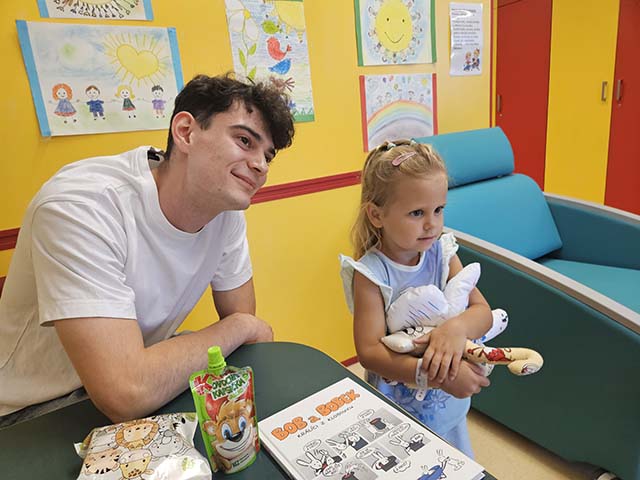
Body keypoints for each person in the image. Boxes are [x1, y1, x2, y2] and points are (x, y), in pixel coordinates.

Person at [0, 73, 295, 427]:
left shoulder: (225, 212)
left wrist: (241, 326)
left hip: (142, 380)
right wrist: (242, 326)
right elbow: (125, 392)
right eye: (245, 141)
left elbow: (245, 332)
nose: (261, 165)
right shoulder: (82, 206)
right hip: (29, 411)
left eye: (267, 156)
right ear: (185, 132)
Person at [339, 139, 492, 457]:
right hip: (398, 413)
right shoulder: (371, 274)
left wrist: (456, 328)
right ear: (376, 215)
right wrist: (439, 376)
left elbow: (482, 311)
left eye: (439, 210)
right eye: (417, 212)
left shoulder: (442, 253)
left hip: (446, 407)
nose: (432, 223)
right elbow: (369, 353)